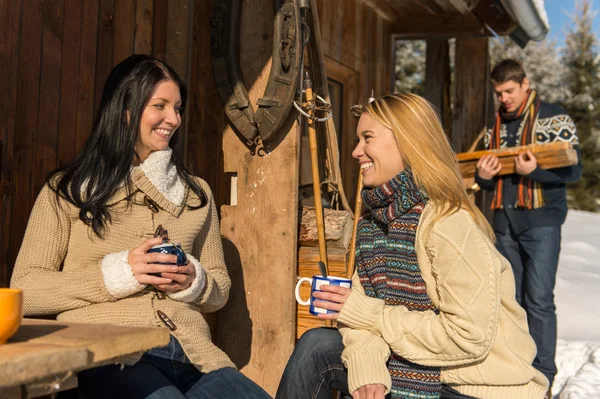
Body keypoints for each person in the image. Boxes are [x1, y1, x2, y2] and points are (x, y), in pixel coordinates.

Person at [10, 54, 271, 399]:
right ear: (125, 109)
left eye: (177, 108)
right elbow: (26, 288)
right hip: (109, 356)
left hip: (194, 356)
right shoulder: (69, 189)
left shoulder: (197, 194)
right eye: (160, 106)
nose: (173, 119)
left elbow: (219, 288)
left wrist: (193, 280)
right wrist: (119, 273)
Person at [275, 93, 549, 399]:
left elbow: (468, 337)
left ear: (407, 142)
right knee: (317, 347)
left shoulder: (448, 223)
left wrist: (371, 314)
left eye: (367, 138)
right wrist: (368, 370)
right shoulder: (373, 221)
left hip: (479, 388)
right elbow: (358, 318)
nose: (356, 151)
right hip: (417, 365)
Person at [475, 59, 581, 392]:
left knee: (537, 299)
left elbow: (573, 172)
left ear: (525, 84)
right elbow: (486, 181)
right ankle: (517, 369)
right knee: (511, 301)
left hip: (541, 223)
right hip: (504, 223)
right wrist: (484, 177)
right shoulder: (492, 128)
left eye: (509, 91)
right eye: (499, 93)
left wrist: (533, 171)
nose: (504, 98)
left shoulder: (554, 117)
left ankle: (545, 375)